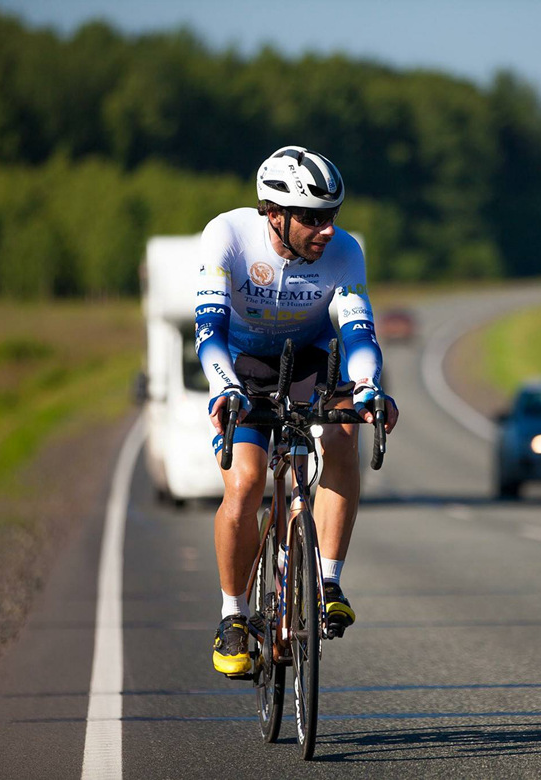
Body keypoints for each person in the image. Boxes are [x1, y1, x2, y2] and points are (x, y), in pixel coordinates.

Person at [194, 146, 399, 677]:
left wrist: (369, 386)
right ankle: (233, 616)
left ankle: (327, 579)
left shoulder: (345, 250)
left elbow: (358, 331)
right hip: (244, 365)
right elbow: (209, 333)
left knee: (340, 439)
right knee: (244, 483)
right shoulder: (228, 236)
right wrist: (223, 388)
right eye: (311, 218)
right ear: (274, 215)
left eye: (331, 215)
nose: (326, 230)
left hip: (311, 360)